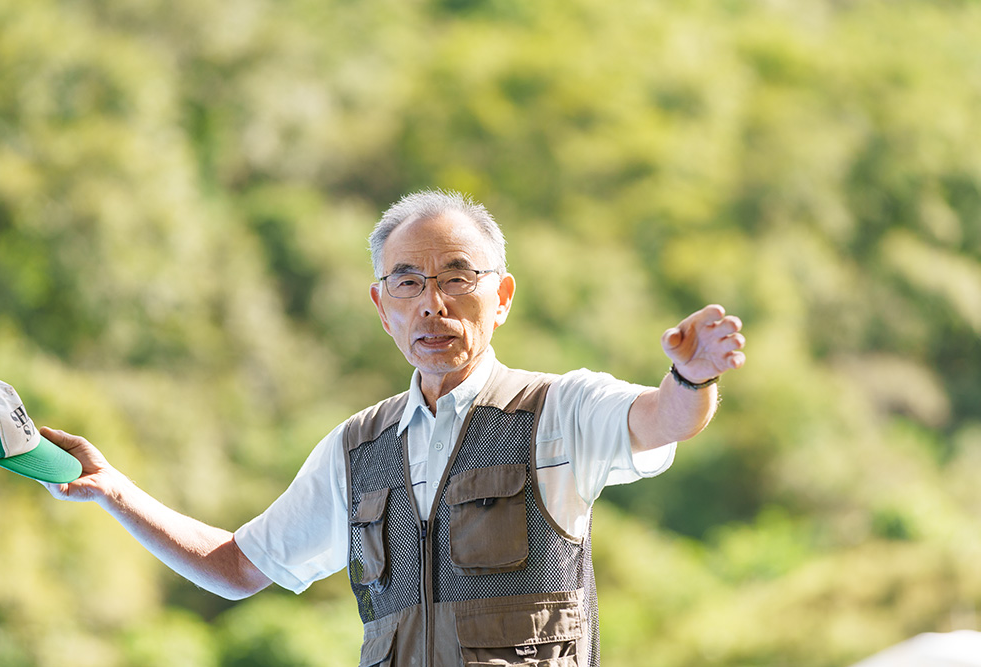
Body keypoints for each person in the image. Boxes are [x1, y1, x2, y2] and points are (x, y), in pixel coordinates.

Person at [41, 190, 746, 667]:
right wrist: (115, 490)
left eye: (457, 278)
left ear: (501, 296)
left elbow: (664, 420)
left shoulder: (561, 411)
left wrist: (691, 377)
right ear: (383, 308)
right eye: (407, 282)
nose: (432, 304)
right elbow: (236, 567)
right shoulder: (356, 449)